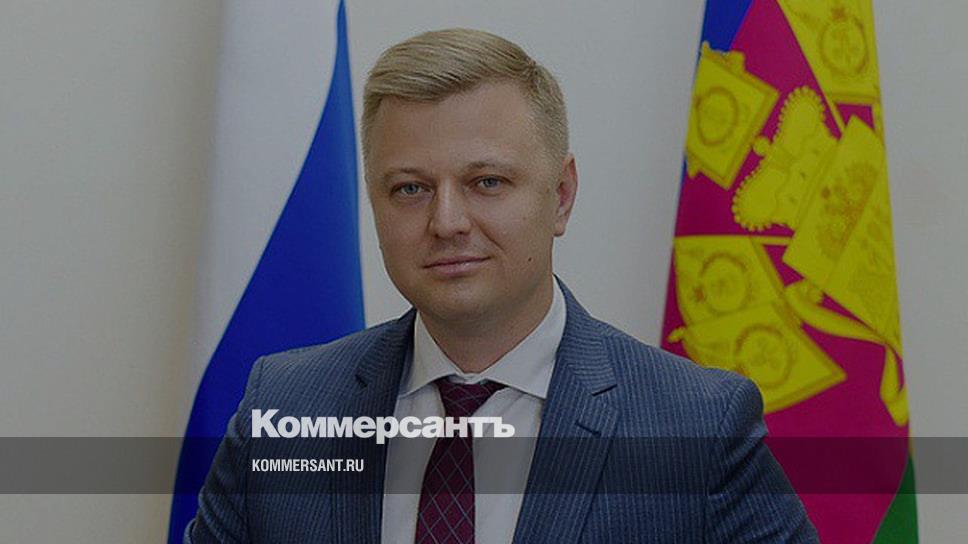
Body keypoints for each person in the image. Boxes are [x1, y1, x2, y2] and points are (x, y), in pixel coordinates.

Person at [185, 28, 818, 543]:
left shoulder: (696, 427)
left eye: (487, 182)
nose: (447, 222)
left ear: (561, 196)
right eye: (410, 188)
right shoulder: (286, 407)